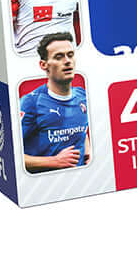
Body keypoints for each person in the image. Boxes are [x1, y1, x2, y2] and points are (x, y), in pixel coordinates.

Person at [20, 32, 90, 173]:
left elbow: (81, 129)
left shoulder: (82, 95)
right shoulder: (31, 103)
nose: (67, 61)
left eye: (70, 55)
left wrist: (88, 152)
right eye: (59, 57)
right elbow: (10, 154)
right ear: (43, 65)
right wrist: (54, 161)